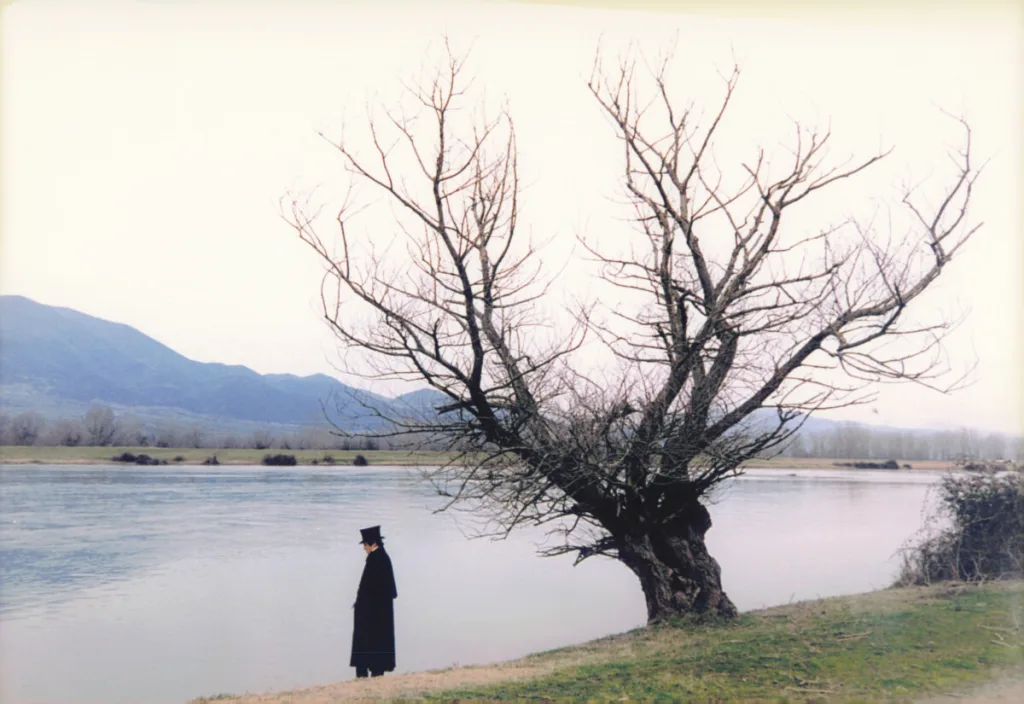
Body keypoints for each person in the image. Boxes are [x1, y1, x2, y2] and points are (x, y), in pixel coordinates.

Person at [350, 525, 397, 678]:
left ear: (373, 544)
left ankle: (367, 670)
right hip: (377, 611)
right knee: (376, 643)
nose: (364, 548)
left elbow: (371, 587)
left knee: (368, 641)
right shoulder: (381, 557)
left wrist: (363, 605)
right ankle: (375, 669)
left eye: (365, 544)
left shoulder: (377, 559)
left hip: (372, 612)